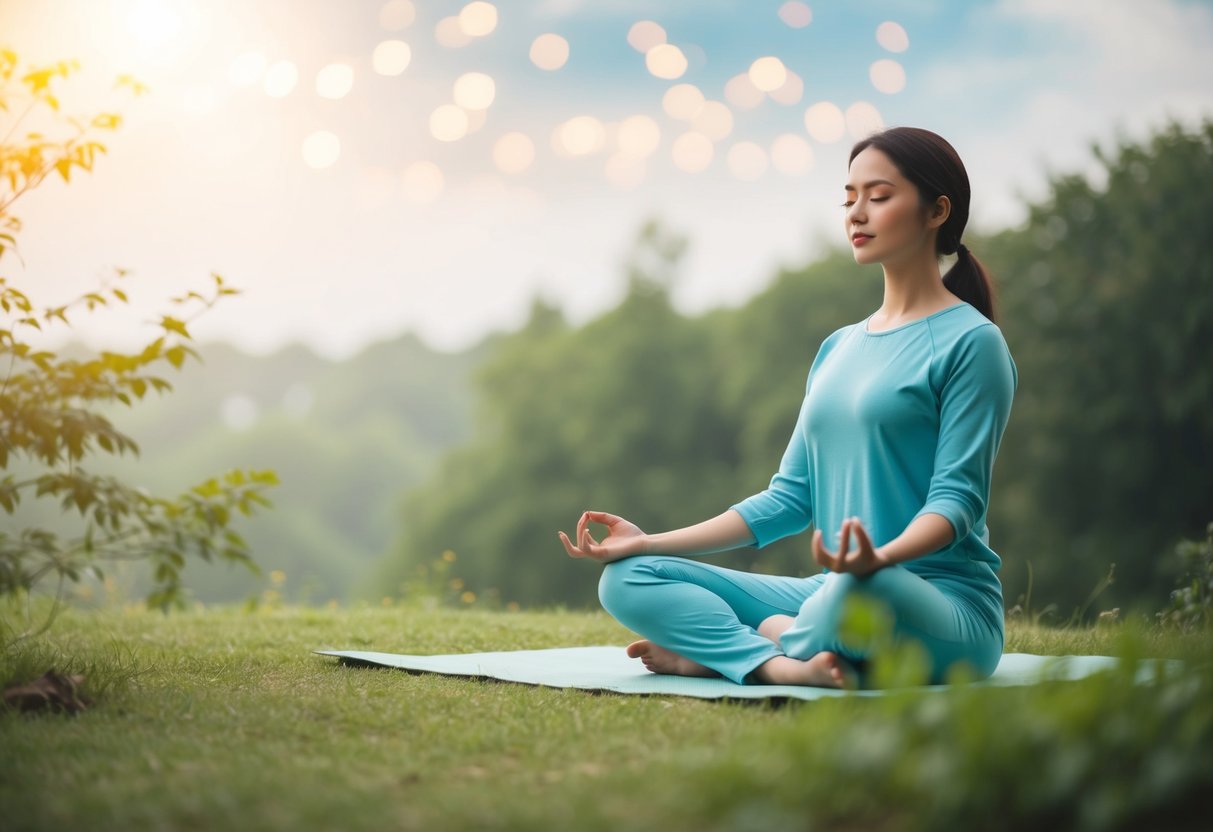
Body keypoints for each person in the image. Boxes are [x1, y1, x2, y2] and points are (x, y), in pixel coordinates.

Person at [558, 127, 1017, 688]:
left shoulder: (972, 343)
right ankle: (779, 664)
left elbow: (956, 502)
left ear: (936, 210)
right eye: (849, 198)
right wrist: (649, 541)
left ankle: (736, 647)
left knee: (855, 593)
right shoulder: (838, 347)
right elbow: (788, 499)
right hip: (833, 592)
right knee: (628, 578)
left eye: (878, 196)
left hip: (936, 607)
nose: (857, 214)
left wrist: (878, 560)